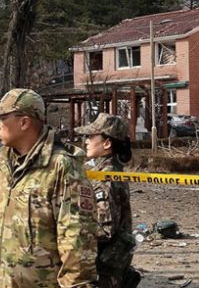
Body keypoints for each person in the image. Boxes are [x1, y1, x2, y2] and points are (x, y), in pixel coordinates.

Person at [0, 88, 98, 288]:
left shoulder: (61, 166)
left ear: (24, 122)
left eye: (3, 118)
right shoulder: (2, 164)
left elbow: (78, 240)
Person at [77, 113, 141, 288]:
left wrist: (72, 234)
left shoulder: (105, 176)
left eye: (91, 137)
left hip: (105, 265)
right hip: (110, 262)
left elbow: (105, 229)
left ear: (107, 143)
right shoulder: (105, 170)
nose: (86, 141)